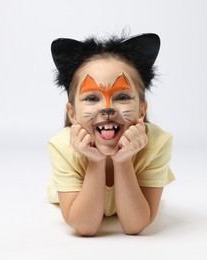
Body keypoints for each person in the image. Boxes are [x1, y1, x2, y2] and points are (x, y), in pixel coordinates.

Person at [47, 32, 175, 236]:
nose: (107, 109)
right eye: (91, 99)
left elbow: (135, 226)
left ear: (142, 109)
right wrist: (95, 162)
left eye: (122, 96)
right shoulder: (62, 146)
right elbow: (85, 227)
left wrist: (123, 161)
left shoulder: (157, 143)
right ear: (72, 113)